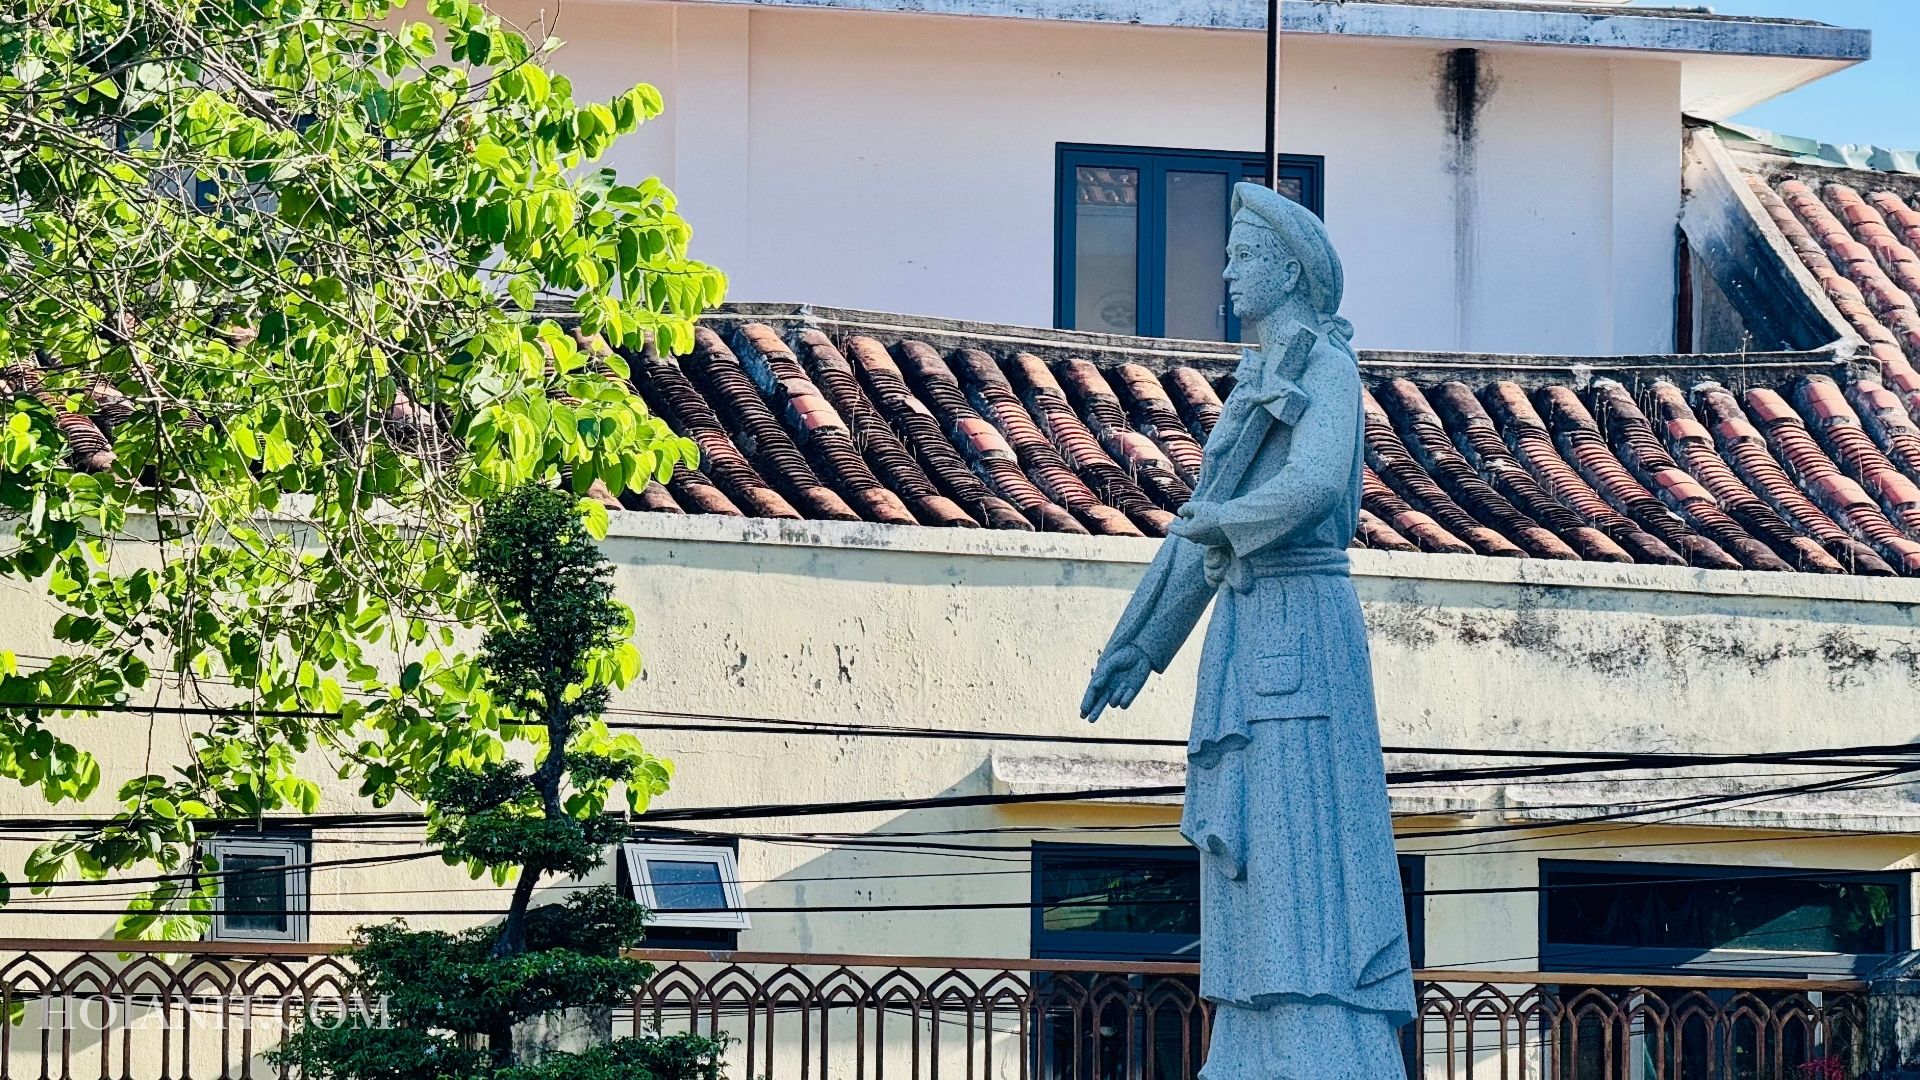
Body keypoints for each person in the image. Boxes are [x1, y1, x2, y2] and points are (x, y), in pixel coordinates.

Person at [1079, 182, 1413, 1079]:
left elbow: (1305, 488)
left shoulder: (1325, 368)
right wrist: (1140, 645)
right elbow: (1204, 520)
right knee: (1255, 857)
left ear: (1291, 269)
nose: (1225, 270)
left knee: (1305, 839)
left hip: (1303, 624)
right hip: (1247, 626)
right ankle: (1260, 1033)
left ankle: (1321, 1029)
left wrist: (1222, 529)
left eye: (1244, 255)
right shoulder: (1259, 379)